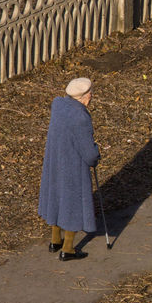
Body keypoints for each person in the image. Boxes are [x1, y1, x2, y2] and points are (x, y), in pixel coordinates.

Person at [38, 77, 100, 261]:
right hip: (73, 166)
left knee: (56, 198)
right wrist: (96, 155)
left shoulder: (58, 105)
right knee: (72, 204)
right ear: (83, 97)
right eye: (90, 94)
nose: (92, 97)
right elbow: (88, 154)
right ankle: (68, 249)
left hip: (55, 162)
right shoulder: (81, 117)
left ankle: (55, 241)